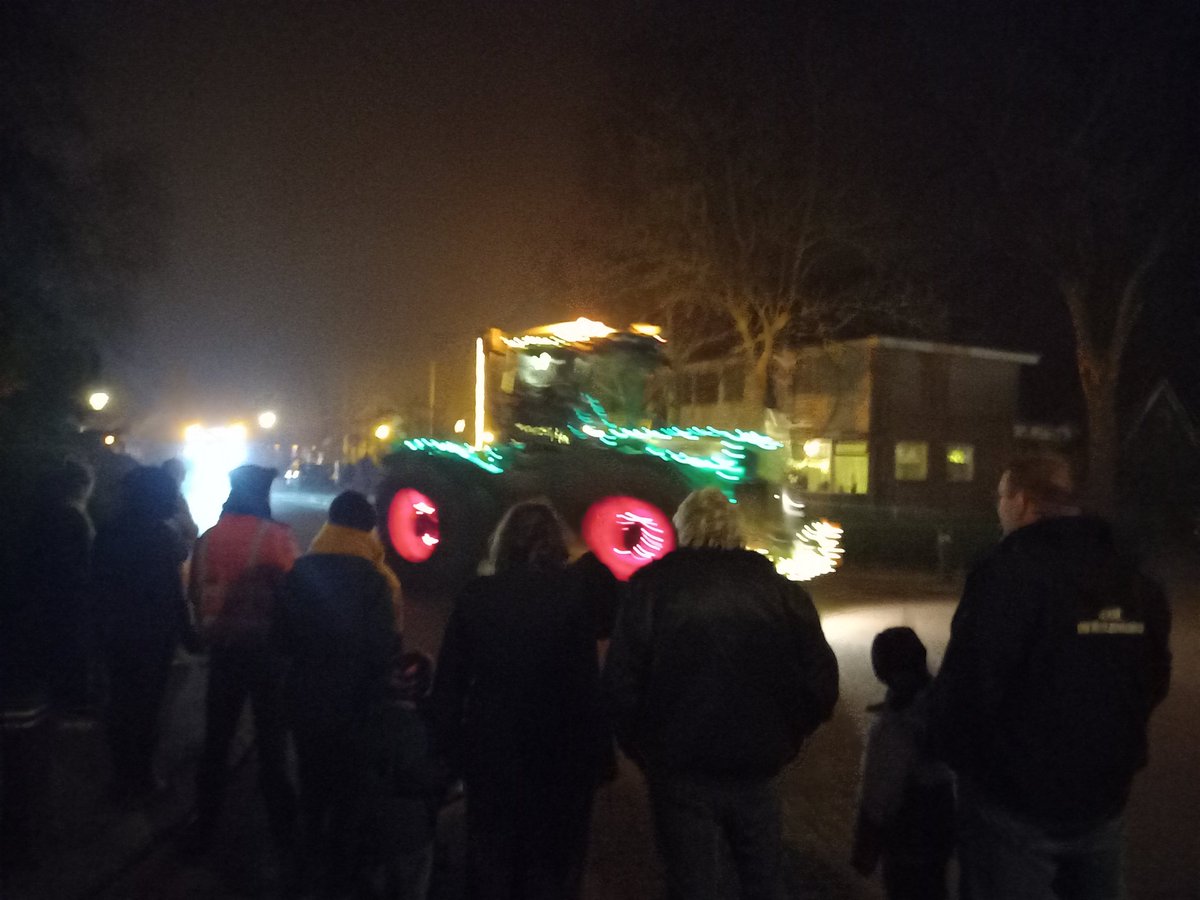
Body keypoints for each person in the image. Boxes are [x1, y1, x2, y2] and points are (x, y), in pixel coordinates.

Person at [930, 455, 1172, 900]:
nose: (998, 508)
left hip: (1014, 803)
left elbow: (970, 685)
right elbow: (1154, 677)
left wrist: (952, 752)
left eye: (1000, 497)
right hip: (1103, 796)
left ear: (1022, 501)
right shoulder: (1132, 578)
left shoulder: (1007, 573)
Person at [602, 487, 839, 900]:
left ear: (683, 528)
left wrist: (643, 747)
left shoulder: (652, 589)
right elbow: (821, 680)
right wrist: (788, 735)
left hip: (679, 766)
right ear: (734, 530)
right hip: (757, 763)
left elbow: (621, 682)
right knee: (762, 879)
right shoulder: (778, 590)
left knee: (691, 882)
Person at [432, 500, 616, 900]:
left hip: (492, 748)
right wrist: (599, 757)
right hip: (557, 752)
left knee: (491, 858)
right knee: (547, 864)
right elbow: (585, 685)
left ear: (504, 542)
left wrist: (446, 749)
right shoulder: (572, 598)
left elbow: (451, 682)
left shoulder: (478, 595)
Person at [276, 490, 398, 895]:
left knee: (312, 789)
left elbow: (280, 640)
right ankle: (340, 879)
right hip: (356, 706)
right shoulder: (378, 580)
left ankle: (302, 873)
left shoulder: (300, 571)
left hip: (306, 700)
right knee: (350, 796)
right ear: (368, 529)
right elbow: (385, 649)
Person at [187, 464, 298, 854]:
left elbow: (196, 591)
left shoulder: (209, 537)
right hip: (267, 653)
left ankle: (204, 828)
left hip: (223, 650)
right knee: (272, 743)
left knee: (217, 740)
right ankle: (283, 833)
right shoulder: (275, 537)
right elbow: (294, 593)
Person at [92, 466, 194, 801]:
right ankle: (142, 776)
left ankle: (122, 775)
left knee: (120, 702)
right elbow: (174, 591)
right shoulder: (163, 536)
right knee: (148, 706)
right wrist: (188, 633)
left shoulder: (109, 531)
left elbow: (98, 584)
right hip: (153, 634)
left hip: (116, 631)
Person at [851, 627, 954, 900]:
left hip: (908, 831)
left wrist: (865, 846)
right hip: (942, 823)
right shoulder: (941, 706)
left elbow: (879, 793)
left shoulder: (894, 727)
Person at [357, 651, 446, 900]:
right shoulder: (417, 729)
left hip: (369, 831)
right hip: (409, 833)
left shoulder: (368, 722)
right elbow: (416, 777)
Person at [23, 460, 98, 718]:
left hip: (48, 595)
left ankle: (59, 702)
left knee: (57, 648)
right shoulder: (72, 516)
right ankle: (73, 703)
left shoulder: (45, 513)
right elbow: (80, 560)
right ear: (81, 485)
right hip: (71, 596)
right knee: (72, 647)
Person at [160, 457, 199, 554]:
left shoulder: (179, 499)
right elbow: (191, 529)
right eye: (178, 473)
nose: (182, 479)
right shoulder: (172, 500)